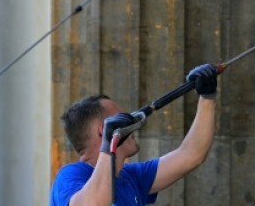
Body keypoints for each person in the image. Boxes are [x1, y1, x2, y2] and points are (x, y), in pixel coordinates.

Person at [50, 64, 218, 206]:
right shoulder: (71, 175)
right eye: (121, 118)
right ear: (104, 130)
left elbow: (191, 154)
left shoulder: (132, 176)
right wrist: (109, 145)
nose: (131, 122)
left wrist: (207, 96)